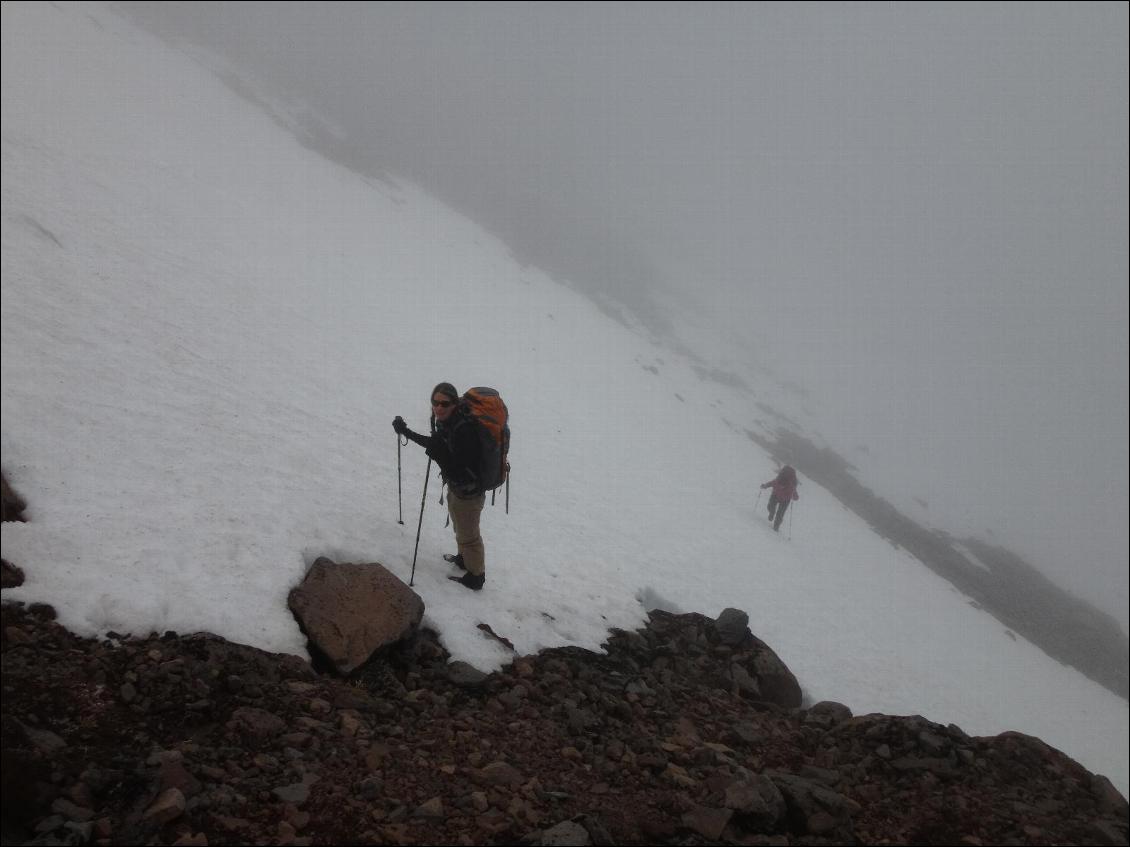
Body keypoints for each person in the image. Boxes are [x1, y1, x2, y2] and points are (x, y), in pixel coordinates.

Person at [393, 383, 487, 591]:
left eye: (445, 403)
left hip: (469, 492)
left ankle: (476, 577)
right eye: (435, 402)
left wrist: (439, 454)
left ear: (454, 404)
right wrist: (406, 432)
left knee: (469, 535)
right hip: (457, 489)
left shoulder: (464, 430)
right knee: (459, 525)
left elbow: (459, 468)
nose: (439, 407)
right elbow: (436, 444)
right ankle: (464, 560)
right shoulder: (449, 423)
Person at [760, 465, 799, 532]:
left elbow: (795, 495)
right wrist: (764, 486)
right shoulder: (777, 481)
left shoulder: (791, 487)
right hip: (775, 495)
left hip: (785, 500)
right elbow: (770, 483)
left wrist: (795, 497)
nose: (781, 487)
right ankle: (772, 513)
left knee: (780, 514)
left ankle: (776, 527)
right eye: (780, 486)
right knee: (770, 506)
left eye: (783, 487)